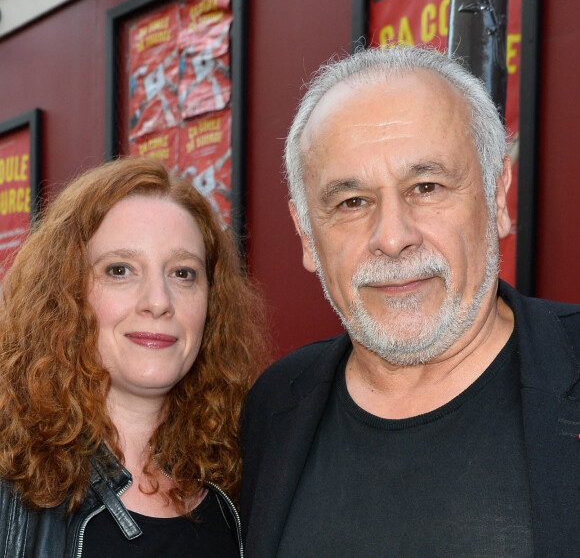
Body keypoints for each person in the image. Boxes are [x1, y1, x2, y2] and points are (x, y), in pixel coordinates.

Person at [240, 45, 580, 557]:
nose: (393, 237)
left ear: (498, 198)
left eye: (426, 186)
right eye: (352, 202)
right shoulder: (272, 408)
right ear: (306, 235)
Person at [0, 158, 268, 557]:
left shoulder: (251, 480)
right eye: (120, 270)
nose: (159, 302)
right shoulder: (9, 486)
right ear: (63, 295)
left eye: (183, 273)